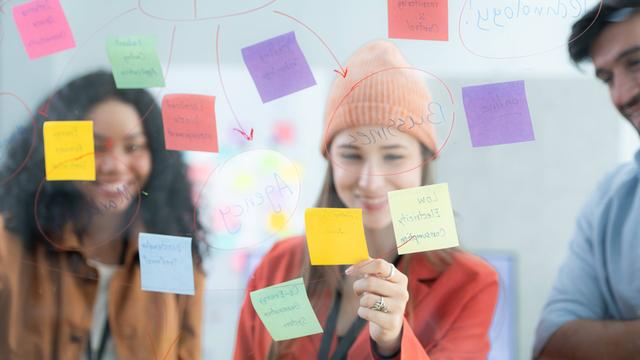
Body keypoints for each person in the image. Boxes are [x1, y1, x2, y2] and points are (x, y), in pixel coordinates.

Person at [233, 40, 499, 359]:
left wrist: (392, 342)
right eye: (351, 155)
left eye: (393, 156)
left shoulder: (470, 283)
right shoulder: (279, 266)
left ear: (425, 160)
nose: (370, 181)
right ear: (329, 158)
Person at [0, 71, 205, 359]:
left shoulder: (176, 257)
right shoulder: (8, 245)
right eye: (95, 147)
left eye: (133, 146)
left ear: (156, 156)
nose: (114, 166)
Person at [534, 2, 640, 359]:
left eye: (636, 62)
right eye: (608, 78)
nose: (622, 95)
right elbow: (552, 346)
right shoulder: (611, 199)